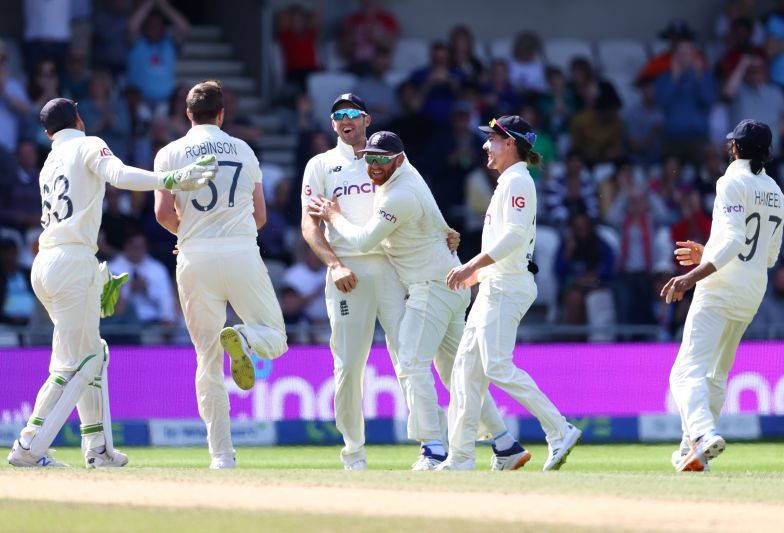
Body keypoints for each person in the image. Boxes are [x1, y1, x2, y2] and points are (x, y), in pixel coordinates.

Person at [7, 97, 218, 468]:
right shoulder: (88, 144)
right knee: (79, 361)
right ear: (78, 117)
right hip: (71, 260)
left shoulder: (48, 161)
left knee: (94, 353)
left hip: (47, 261)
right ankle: (29, 446)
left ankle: (99, 449)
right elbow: (118, 175)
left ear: (46, 132)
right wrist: (167, 179)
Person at [309, 131, 529, 471]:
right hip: (447, 283)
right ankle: (505, 444)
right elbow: (432, 221)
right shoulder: (404, 177)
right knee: (456, 371)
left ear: (399, 160)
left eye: (382, 159)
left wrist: (334, 216)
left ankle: (434, 450)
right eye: (370, 157)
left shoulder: (400, 193)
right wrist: (445, 234)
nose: (374, 165)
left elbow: (366, 241)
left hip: (433, 288)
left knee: (411, 363)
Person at [153, 80, 288, 469]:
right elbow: (260, 216)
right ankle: (245, 335)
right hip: (242, 253)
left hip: (194, 257)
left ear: (188, 114)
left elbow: (163, 214)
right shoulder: (244, 150)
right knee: (275, 337)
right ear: (222, 112)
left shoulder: (170, 153)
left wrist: (189, 234)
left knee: (207, 359)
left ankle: (221, 456)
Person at [440, 115, 582, 471]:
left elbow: (515, 237)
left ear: (510, 143)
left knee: (497, 367)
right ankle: (460, 457)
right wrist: (479, 275)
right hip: (496, 284)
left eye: (492, 139)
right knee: (465, 371)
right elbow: (509, 243)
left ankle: (559, 429)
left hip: (507, 287)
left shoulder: (518, 181)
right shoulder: (509, 182)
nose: (486, 145)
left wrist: (472, 266)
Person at [661, 119, 784, 472]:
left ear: (735, 148)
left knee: (685, 372)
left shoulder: (732, 180)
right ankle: (691, 449)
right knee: (716, 375)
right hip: (751, 292)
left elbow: (733, 241)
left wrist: (691, 276)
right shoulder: (776, 192)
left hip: (719, 289)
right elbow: (767, 255)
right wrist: (709, 251)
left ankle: (700, 434)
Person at [300, 94, 405, 470]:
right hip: (348, 273)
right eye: (338, 116)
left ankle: (432, 446)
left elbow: (413, 203)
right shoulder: (322, 165)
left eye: (351, 114)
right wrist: (334, 264)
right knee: (347, 365)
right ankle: (353, 453)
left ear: (366, 118)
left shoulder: (387, 155)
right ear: (333, 125)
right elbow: (309, 224)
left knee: (408, 357)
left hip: (392, 267)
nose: (345, 120)